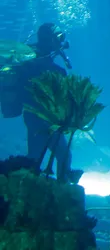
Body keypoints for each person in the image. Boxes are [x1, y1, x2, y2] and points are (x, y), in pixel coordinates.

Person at [0, 23, 73, 177]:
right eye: (59, 37)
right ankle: (54, 193)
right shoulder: (34, 60)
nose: (61, 41)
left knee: (39, 157)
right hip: (38, 116)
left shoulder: (32, 57)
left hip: (39, 116)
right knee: (44, 157)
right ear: (50, 39)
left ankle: (31, 189)